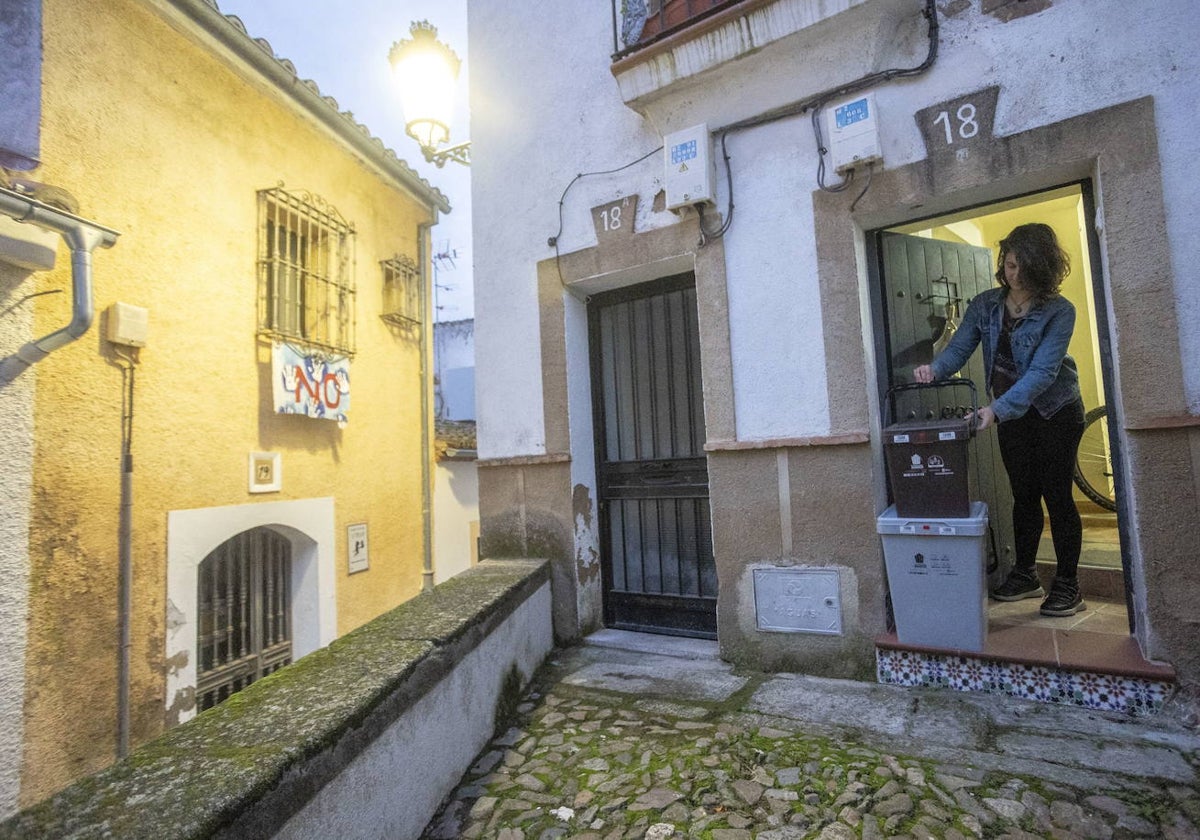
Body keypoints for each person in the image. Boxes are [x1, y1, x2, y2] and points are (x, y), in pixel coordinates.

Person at [913, 223, 1086, 617]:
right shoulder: (986, 304)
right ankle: (1026, 574)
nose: (1014, 274)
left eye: (1022, 267)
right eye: (1009, 264)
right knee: (1023, 494)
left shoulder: (1060, 311)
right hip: (1011, 412)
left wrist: (995, 410)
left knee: (1057, 496)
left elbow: (1043, 373)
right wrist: (934, 370)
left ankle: (1068, 584)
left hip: (1055, 411)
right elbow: (960, 348)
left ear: (1042, 267)